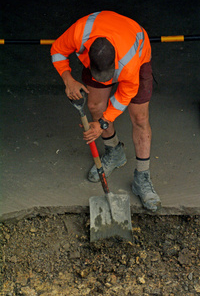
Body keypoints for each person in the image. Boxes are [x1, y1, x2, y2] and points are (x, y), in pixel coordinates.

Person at [51, 11, 161, 212]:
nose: (105, 82)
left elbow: (124, 97)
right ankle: (114, 151)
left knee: (139, 117)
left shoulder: (129, 62)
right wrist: (68, 79)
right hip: (104, 43)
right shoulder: (79, 33)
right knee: (94, 107)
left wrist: (102, 123)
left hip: (137, 52)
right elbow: (57, 50)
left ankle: (142, 177)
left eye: (107, 77)